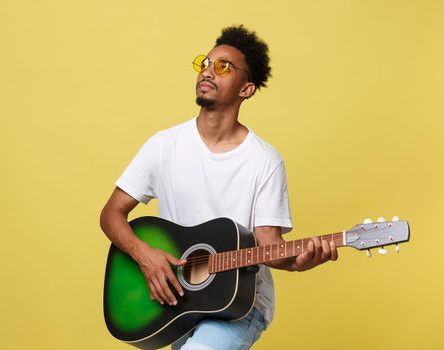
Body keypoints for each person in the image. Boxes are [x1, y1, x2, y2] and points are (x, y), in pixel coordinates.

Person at [100, 25, 338, 350]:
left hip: (239, 305)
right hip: (180, 299)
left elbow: (270, 246)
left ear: (247, 89)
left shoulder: (265, 161)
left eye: (223, 67)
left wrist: (301, 260)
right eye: (205, 64)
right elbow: (111, 213)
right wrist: (145, 256)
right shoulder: (164, 145)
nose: (208, 72)